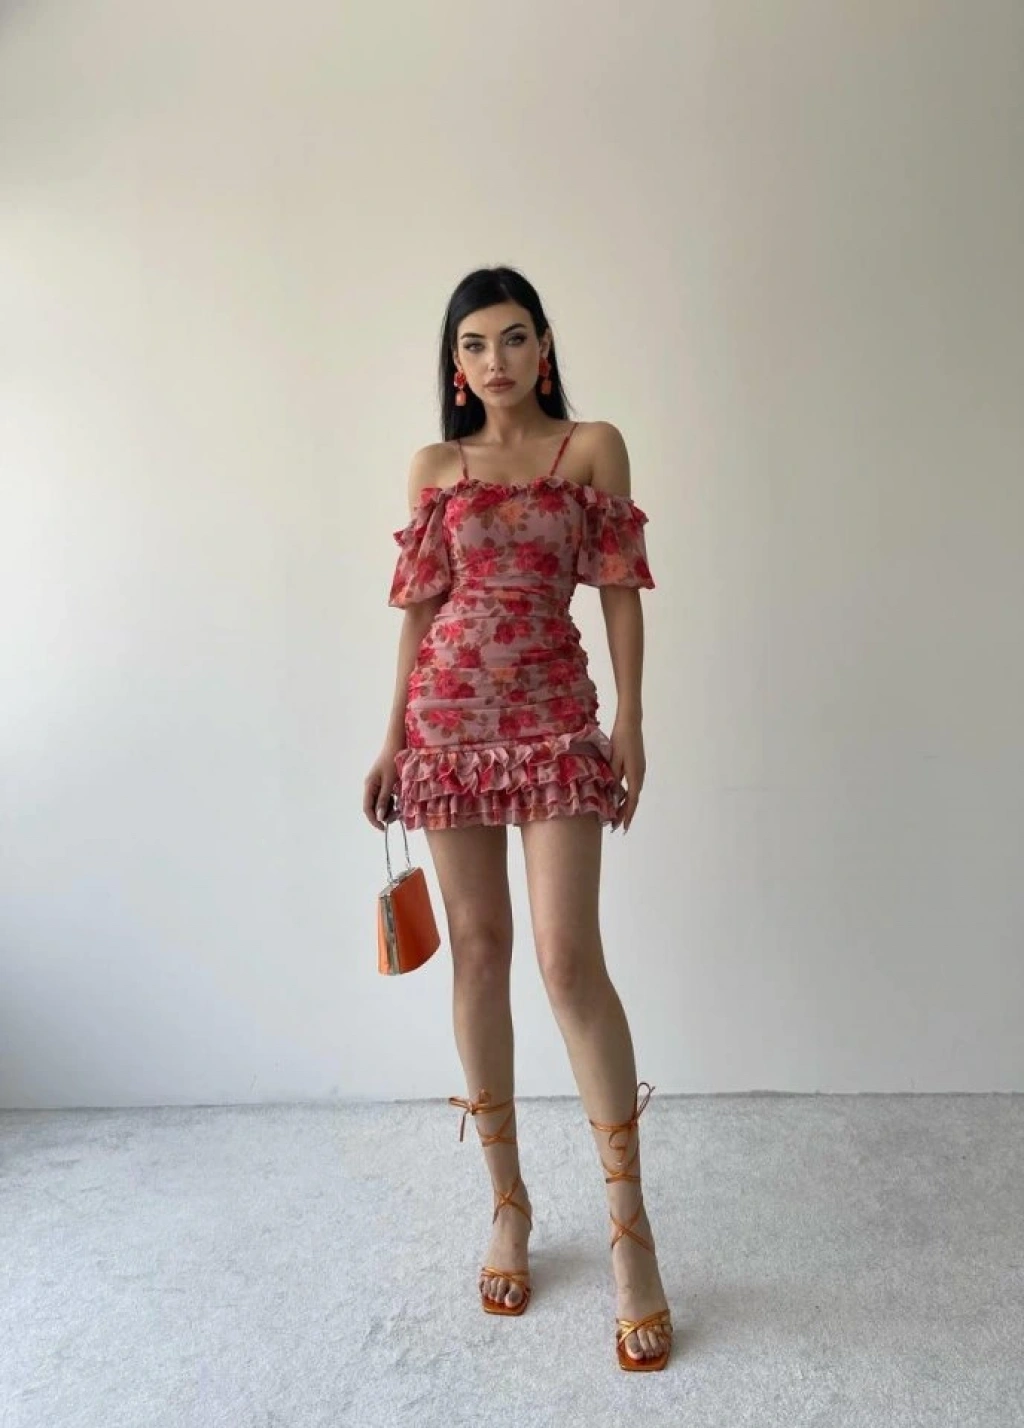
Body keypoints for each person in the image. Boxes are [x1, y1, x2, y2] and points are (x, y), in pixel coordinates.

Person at [363, 266, 673, 1371]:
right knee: (479, 953)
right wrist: (392, 738)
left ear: (544, 347)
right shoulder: (434, 467)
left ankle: (630, 1231)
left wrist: (631, 719)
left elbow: (620, 590)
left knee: (567, 959)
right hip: (446, 723)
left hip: (553, 718)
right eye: (473, 345)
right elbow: (419, 613)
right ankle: (508, 1205)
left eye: (512, 339)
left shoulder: (591, 449)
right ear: (456, 366)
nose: (494, 361)